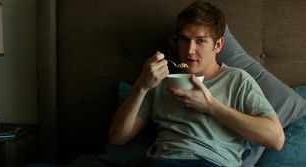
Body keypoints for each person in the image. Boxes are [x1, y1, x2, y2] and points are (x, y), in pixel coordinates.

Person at [108, 1, 285, 166]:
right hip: (163, 160)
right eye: (184, 40)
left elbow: (275, 139)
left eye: (200, 41)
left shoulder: (238, 79)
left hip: (211, 161)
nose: (190, 50)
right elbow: (118, 137)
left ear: (218, 45)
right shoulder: (160, 81)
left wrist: (211, 106)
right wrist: (141, 86)